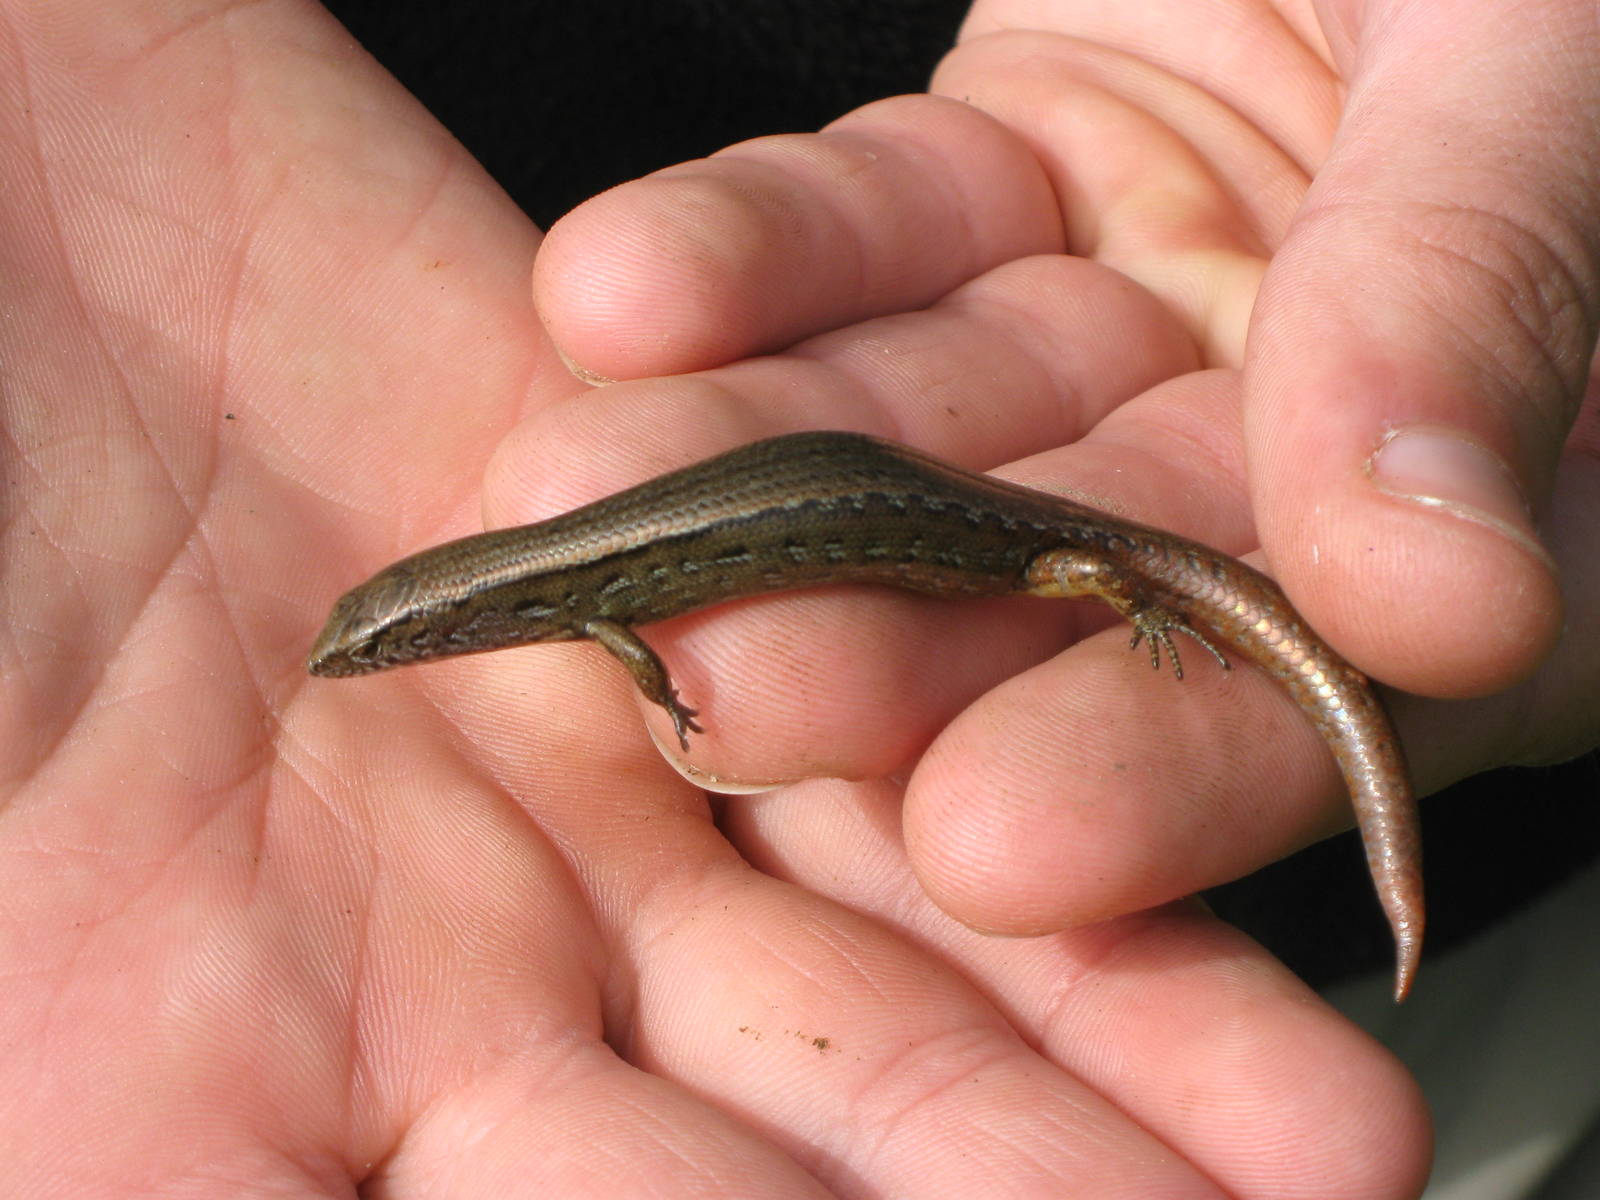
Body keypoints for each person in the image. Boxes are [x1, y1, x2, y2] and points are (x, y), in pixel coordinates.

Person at [1, 1, 1593, 1195]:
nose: (381, 654)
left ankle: (1228, 682)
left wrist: (1151, 595)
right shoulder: (571, 594)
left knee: (1079, 583)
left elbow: (638, 642)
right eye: (379, 642)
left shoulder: (585, 608)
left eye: (388, 638)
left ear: (446, 623)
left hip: (1086, 566)